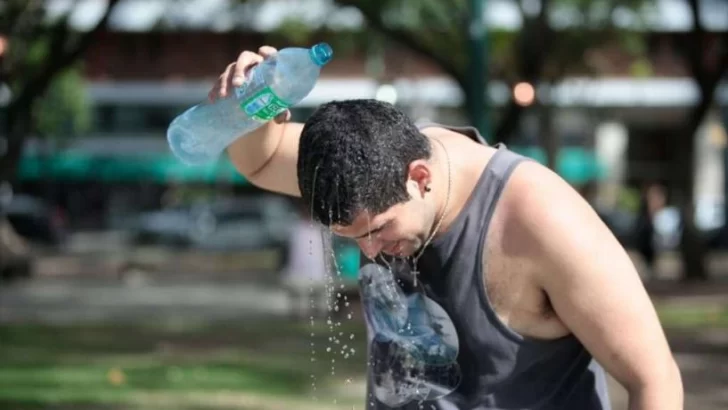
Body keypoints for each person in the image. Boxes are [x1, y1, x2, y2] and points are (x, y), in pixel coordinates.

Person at [212, 45, 683, 409]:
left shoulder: (543, 219)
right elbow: (262, 161)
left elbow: (654, 379)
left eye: (378, 230)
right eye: (353, 239)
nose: (371, 252)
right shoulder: (361, 162)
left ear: (420, 178)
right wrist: (247, 110)